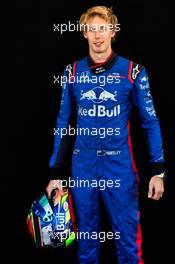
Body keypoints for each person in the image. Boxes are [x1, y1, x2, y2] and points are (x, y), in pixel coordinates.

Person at [46, 6, 165, 264]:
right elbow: (63, 122)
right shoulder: (72, 72)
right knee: (86, 245)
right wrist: (55, 174)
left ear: (112, 31)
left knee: (128, 245)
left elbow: (150, 121)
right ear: (84, 34)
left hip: (119, 166)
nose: (98, 35)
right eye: (92, 29)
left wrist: (158, 171)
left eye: (103, 28)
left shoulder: (133, 71)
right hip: (83, 166)